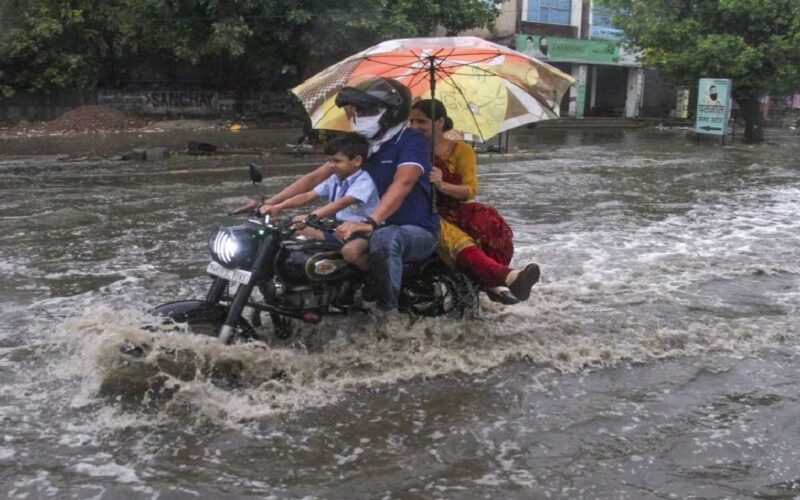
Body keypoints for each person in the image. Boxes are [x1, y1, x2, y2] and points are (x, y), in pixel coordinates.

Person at [260, 77, 439, 316]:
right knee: (290, 233)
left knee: (386, 238)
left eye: (369, 111)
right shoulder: (360, 145)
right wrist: (271, 203)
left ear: (392, 113)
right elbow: (314, 178)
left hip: (413, 229)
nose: (360, 116)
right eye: (359, 111)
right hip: (366, 225)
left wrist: (371, 221)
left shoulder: (412, 141)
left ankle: (387, 311)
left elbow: (403, 182)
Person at [408, 99, 540, 304]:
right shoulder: (407, 150)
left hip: (453, 208)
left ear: (440, 122)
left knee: (489, 223)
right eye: (411, 121)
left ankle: (494, 280)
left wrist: (441, 184)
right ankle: (503, 278)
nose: (415, 126)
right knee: (447, 233)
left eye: (421, 121)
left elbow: (468, 191)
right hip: (421, 212)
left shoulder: (462, 151)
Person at [259, 132, 377, 270]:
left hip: (359, 231)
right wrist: (277, 207)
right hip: (335, 227)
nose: (331, 165)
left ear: (357, 161)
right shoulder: (335, 178)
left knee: (350, 252)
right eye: (329, 161)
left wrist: (310, 217)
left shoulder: (365, 181)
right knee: (283, 230)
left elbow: (341, 203)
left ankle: (372, 276)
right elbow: (308, 195)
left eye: (337, 161)